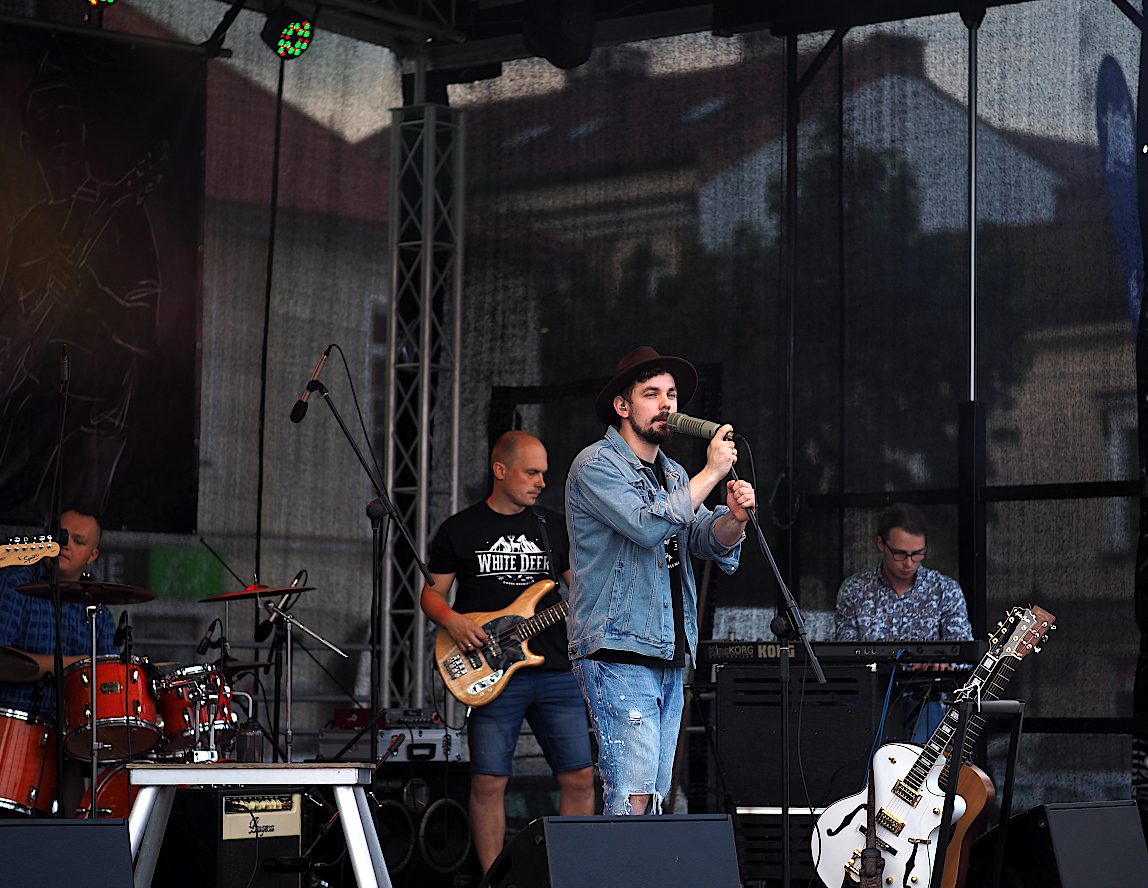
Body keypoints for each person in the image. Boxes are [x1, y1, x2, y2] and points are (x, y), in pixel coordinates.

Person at [565, 346, 755, 816]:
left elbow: (704, 538)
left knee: (652, 795)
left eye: (671, 394)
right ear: (622, 405)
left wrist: (735, 519)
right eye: (651, 394)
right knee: (631, 794)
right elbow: (646, 525)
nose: (666, 403)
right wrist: (711, 473)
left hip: (668, 649)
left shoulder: (672, 473)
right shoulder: (595, 465)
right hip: (617, 649)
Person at [420, 431, 594, 872]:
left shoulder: (555, 526)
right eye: (531, 472)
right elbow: (431, 595)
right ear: (500, 470)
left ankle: (569, 876)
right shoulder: (459, 528)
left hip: (555, 669)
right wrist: (453, 621)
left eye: (544, 474)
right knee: (488, 782)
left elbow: (582, 590)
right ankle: (493, 880)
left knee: (579, 776)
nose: (541, 482)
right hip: (490, 671)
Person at [0, 509, 117, 814]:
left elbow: (107, 683)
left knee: (76, 755)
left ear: (92, 556)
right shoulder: (16, 583)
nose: (65, 545)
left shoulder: (99, 613)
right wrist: (72, 664)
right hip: (11, 730)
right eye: (60, 536)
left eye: (78, 541)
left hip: (69, 746)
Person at [834, 502, 973, 741]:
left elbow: (964, 655)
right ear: (881, 544)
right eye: (900, 554)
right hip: (869, 701)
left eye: (917, 553)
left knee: (928, 728)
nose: (909, 562)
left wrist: (941, 664)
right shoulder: (854, 590)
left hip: (926, 700)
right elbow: (846, 658)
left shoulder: (945, 589)